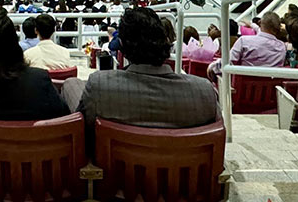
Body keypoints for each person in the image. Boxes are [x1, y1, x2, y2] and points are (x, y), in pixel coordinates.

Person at [62, 7, 218, 129]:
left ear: (122, 45)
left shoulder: (99, 85)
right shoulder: (205, 91)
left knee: (71, 84)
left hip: (119, 166)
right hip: (183, 166)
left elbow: (82, 123)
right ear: (166, 40)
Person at [210, 13, 287, 76]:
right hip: (271, 92)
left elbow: (227, 62)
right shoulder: (282, 47)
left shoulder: (244, 41)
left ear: (260, 22)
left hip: (242, 92)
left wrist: (211, 68)